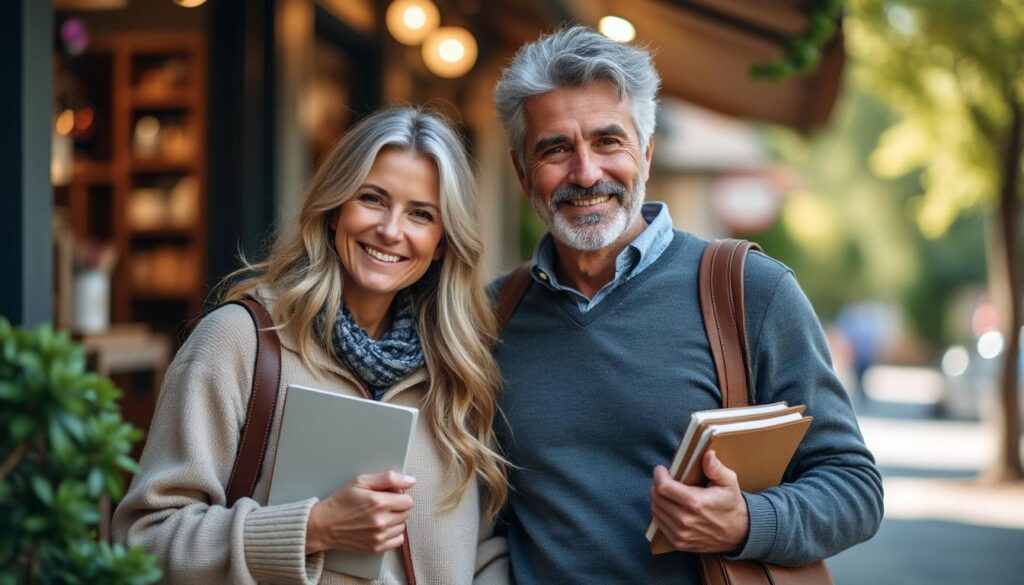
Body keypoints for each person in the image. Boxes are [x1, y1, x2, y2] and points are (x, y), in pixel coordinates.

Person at [490, 26, 884, 584]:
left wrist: (747, 521)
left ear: (647, 154)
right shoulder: (492, 316)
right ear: (521, 172)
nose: (586, 173)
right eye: (555, 149)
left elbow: (855, 488)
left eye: (608, 142)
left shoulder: (748, 290)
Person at [113, 107, 509, 585]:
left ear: (442, 242)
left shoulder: (458, 369)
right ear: (335, 208)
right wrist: (311, 529)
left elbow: (482, 547)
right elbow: (145, 539)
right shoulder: (240, 342)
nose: (390, 230)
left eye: (421, 214)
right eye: (372, 199)